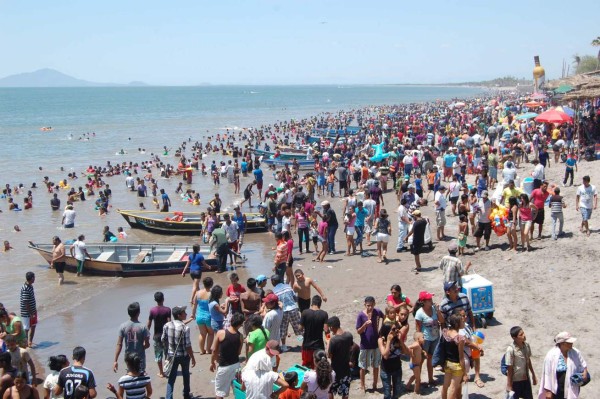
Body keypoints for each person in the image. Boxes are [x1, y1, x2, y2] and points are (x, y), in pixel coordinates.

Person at [539, 331, 589, 399]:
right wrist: (548, 390)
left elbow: (583, 364)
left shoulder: (576, 352)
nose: (572, 343)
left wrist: (585, 372)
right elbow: (547, 374)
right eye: (569, 343)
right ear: (562, 343)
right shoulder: (551, 355)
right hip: (557, 389)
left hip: (571, 387)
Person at [161, 306, 196, 399]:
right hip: (184, 356)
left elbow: (163, 340)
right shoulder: (185, 328)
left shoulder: (167, 325)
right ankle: (186, 394)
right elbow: (188, 345)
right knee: (186, 376)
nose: (186, 314)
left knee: (171, 379)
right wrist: (192, 357)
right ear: (179, 315)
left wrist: (168, 350)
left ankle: (169, 397)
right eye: (184, 312)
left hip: (172, 355)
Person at [210, 313, 244, 399]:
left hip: (224, 366)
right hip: (236, 366)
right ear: (240, 324)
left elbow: (214, 350)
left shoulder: (220, 333)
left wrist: (212, 362)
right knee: (237, 390)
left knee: (220, 392)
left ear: (231, 320)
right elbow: (239, 352)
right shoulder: (240, 336)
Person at [355, 296, 384, 392]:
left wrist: (382, 331)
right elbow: (358, 331)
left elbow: (385, 318)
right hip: (365, 345)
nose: (370, 308)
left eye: (371, 305)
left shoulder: (377, 312)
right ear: (364, 305)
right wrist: (365, 325)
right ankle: (362, 385)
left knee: (376, 365)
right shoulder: (360, 315)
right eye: (368, 306)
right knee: (363, 366)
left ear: (374, 304)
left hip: (376, 344)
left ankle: (375, 384)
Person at [113, 302, 150, 374]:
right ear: (138, 313)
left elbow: (119, 344)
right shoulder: (143, 327)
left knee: (130, 375)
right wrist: (141, 347)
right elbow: (147, 344)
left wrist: (115, 360)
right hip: (140, 357)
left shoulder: (123, 326)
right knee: (141, 375)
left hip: (128, 358)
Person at [413, 291, 441, 387]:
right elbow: (418, 329)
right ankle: (418, 380)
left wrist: (438, 311)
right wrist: (419, 342)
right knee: (421, 360)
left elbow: (441, 321)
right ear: (423, 302)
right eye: (429, 299)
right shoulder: (419, 313)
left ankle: (430, 379)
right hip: (426, 339)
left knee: (430, 358)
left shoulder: (434, 309)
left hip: (435, 337)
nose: (431, 300)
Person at [271, 275, 302, 352]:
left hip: (283, 311)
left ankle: (284, 346)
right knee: (298, 328)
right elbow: (295, 298)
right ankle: (303, 344)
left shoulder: (274, 291)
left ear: (273, 282)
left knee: (283, 329)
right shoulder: (288, 286)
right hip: (293, 309)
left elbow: (275, 303)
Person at [440, 314, 468, 399]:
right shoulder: (460, 338)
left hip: (447, 363)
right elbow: (461, 357)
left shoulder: (445, 332)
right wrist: (465, 373)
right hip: (456, 366)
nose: (464, 322)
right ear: (457, 324)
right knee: (453, 389)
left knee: (445, 386)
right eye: (462, 321)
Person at [505, 326, 536, 399]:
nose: (524, 336)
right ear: (514, 337)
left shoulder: (526, 345)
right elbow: (510, 368)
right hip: (516, 381)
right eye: (521, 335)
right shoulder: (510, 349)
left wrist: (533, 375)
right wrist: (509, 384)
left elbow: (528, 360)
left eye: (523, 333)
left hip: (526, 379)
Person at [326, 316, 353, 399]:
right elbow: (351, 347)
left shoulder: (334, 340)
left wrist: (328, 343)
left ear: (332, 327)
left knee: (330, 390)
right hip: (346, 369)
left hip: (335, 369)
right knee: (345, 392)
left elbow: (329, 355)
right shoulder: (349, 335)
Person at [377, 323, 405, 399]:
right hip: (386, 370)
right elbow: (385, 356)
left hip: (397, 369)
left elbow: (405, 351)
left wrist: (400, 340)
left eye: (396, 328)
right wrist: (389, 341)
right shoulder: (381, 340)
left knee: (397, 393)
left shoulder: (397, 339)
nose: (396, 330)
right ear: (387, 331)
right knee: (387, 394)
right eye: (393, 329)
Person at [299, 296, 328, 369]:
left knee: (306, 366)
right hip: (319, 346)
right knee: (319, 366)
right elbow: (326, 330)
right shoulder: (324, 314)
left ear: (312, 303)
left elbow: (300, 328)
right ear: (320, 304)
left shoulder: (305, 312)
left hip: (307, 345)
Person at [147, 291, 171, 378]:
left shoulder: (152, 310)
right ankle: (167, 370)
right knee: (167, 353)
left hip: (157, 336)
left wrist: (147, 335)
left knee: (158, 354)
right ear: (163, 299)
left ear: (155, 300)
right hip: (166, 336)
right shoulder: (167, 310)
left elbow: (149, 324)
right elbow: (169, 322)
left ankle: (161, 372)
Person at [19, 272, 37, 348]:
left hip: (33, 311)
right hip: (26, 312)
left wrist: (33, 312)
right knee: (26, 328)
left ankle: (30, 342)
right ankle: (25, 344)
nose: (35, 279)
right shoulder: (25, 288)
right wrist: (30, 313)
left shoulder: (30, 286)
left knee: (33, 326)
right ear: (32, 278)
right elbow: (25, 302)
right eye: (34, 277)